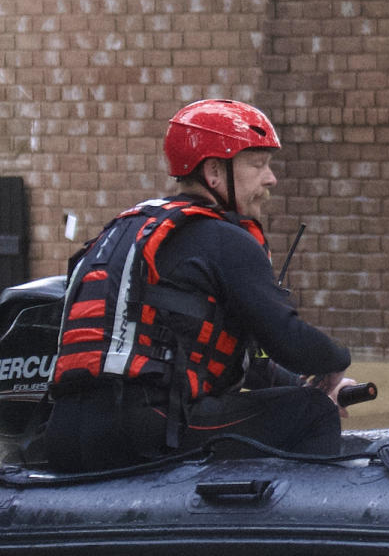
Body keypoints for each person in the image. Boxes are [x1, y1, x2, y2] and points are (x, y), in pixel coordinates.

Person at [41, 97, 356, 469]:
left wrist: (305, 381)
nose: (270, 179)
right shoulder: (225, 238)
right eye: (258, 165)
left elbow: (241, 360)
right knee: (313, 412)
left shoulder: (124, 229)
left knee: (300, 397)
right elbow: (289, 340)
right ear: (214, 173)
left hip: (62, 434)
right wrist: (335, 364)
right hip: (147, 431)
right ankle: (302, 525)